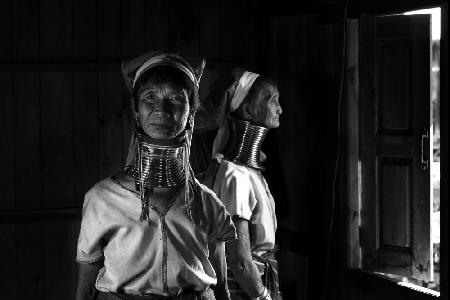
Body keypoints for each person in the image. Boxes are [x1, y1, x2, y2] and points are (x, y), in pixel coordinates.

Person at [75, 51, 236, 300]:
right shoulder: (101, 199)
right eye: (150, 97)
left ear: (190, 110)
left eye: (174, 98)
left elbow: (222, 288)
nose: (161, 108)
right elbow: (84, 291)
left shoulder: (207, 204)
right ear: (135, 108)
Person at [204, 70, 283, 300]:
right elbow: (238, 260)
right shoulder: (234, 175)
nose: (280, 109)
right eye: (273, 101)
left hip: (260, 277)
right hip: (245, 287)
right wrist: (261, 296)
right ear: (248, 110)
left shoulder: (251, 172)